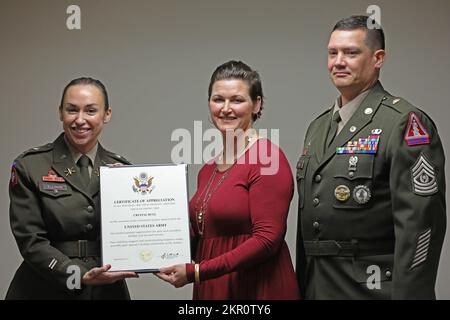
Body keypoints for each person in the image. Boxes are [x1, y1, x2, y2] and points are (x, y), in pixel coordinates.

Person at [295, 15, 446, 299]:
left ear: (378, 58)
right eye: (332, 53)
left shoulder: (403, 123)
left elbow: (421, 227)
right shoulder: (317, 128)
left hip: (372, 290)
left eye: (351, 53)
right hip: (318, 287)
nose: (338, 61)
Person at [156, 60, 300, 299]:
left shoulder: (267, 160)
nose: (226, 108)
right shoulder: (207, 170)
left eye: (237, 100)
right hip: (213, 284)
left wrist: (199, 271)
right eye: (218, 99)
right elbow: (202, 235)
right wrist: (149, 250)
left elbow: (267, 240)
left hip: (255, 287)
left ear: (257, 104)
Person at [6, 77, 138, 299]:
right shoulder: (30, 165)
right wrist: (78, 275)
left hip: (106, 289)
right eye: (72, 110)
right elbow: (30, 241)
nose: (80, 120)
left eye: (90, 111)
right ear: (60, 113)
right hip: (44, 286)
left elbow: (136, 232)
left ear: (107, 114)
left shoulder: (123, 171)